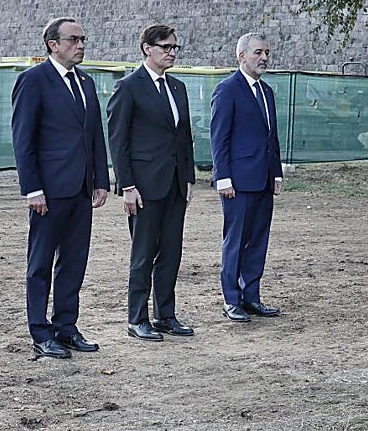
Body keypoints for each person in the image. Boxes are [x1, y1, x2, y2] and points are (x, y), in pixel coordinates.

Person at [11, 17, 110, 359]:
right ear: (53, 44)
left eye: (83, 39)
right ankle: (40, 332)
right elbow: (23, 141)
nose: (81, 45)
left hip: (82, 190)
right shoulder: (33, 81)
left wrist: (100, 180)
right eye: (74, 39)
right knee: (40, 264)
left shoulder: (86, 82)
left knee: (74, 262)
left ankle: (66, 327)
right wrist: (32, 189)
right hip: (49, 192)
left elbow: (95, 134)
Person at [106, 24, 197, 342]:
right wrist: (127, 186)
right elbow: (118, 141)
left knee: (172, 252)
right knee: (143, 253)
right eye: (166, 47)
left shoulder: (178, 87)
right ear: (147, 48)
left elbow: (184, 138)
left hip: (174, 184)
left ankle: (165, 315)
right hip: (143, 187)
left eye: (175, 47)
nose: (172, 52)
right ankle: (137, 318)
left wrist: (188, 179)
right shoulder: (128, 87)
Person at [210, 32, 284, 322]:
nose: (263, 57)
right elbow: (219, 138)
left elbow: (272, 136)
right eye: (257, 52)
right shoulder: (227, 89)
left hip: (264, 179)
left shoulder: (267, 92)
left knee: (258, 240)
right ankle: (232, 300)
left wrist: (276, 172)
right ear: (241, 56)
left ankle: (251, 296)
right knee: (236, 240)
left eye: (266, 52)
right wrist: (222, 178)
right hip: (237, 182)